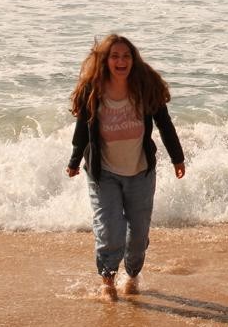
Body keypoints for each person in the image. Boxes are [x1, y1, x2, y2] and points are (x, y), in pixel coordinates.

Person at [66, 34, 186, 300]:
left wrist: (177, 158)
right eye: (115, 56)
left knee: (139, 234)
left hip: (140, 172)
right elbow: (82, 130)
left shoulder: (145, 87)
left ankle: (132, 274)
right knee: (110, 230)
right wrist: (74, 160)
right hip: (103, 173)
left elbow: (165, 125)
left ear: (133, 60)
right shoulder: (93, 90)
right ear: (105, 61)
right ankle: (108, 281)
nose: (121, 61)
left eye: (126, 56)